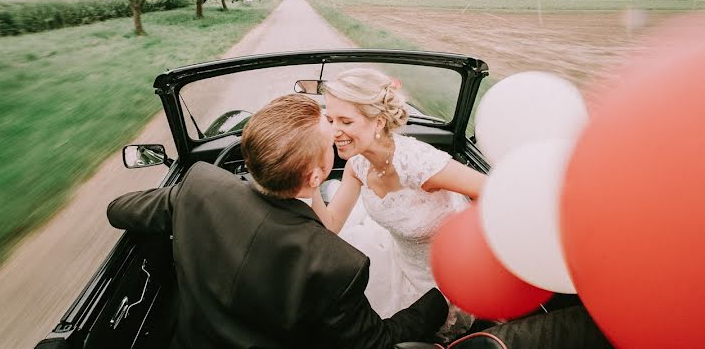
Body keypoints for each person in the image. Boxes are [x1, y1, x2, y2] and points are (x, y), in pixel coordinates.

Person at [107, 94, 449, 349]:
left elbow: (118, 209)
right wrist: (440, 299)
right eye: (331, 139)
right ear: (316, 177)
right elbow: (375, 341)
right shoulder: (337, 264)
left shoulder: (200, 188)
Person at [310, 68, 488, 341]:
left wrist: (472, 249)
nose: (334, 132)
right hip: (402, 262)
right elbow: (331, 224)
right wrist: (311, 183)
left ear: (379, 122)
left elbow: (489, 192)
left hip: (450, 272)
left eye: (345, 121)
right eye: (330, 119)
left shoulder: (418, 164)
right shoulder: (356, 165)